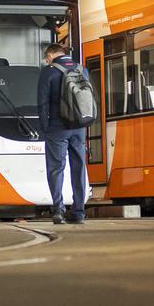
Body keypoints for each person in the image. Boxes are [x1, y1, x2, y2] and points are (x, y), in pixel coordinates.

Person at [35, 41, 90, 225]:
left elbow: (42, 103)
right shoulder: (82, 69)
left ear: (50, 55)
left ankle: (58, 209)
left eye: (46, 57)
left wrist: (44, 128)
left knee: (56, 168)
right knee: (79, 167)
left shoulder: (49, 71)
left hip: (57, 128)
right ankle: (79, 212)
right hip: (79, 127)